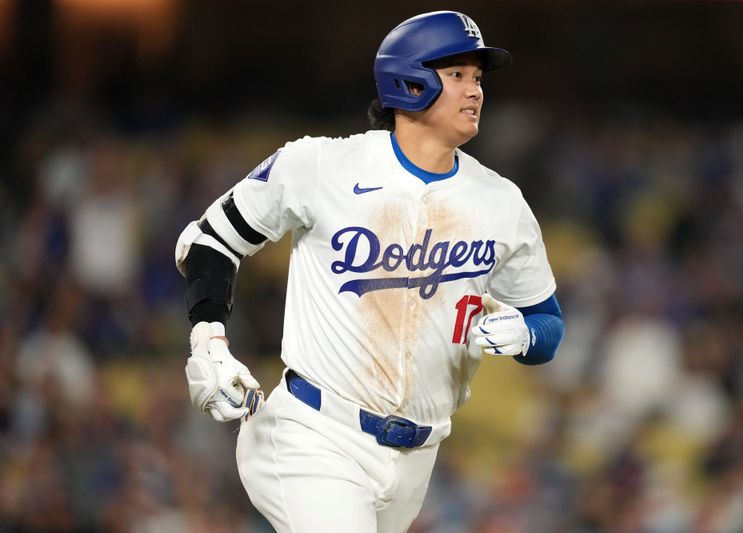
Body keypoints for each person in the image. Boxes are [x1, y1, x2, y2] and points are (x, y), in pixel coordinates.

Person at [175, 10, 565, 533]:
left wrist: (524, 334)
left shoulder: (500, 201)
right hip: (314, 436)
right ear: (410, 82)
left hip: (417, 457)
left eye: (477, 78)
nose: (475, 91)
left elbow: (550, 326)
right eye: (457, 76)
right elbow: (209, 240)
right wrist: (209, 340)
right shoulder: (321, 166)